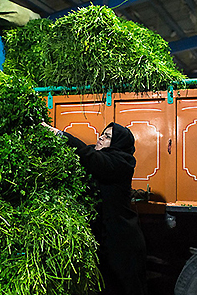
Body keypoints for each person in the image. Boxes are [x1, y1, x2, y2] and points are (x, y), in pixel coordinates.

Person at [42, 122, 147, 295]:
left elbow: (89, 157)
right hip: (104, 238)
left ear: (117, 143)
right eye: (102, 134)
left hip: (121, 242)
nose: (101, 138)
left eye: (107, 137)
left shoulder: (122, 162)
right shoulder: (101, 155)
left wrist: (59, 135)